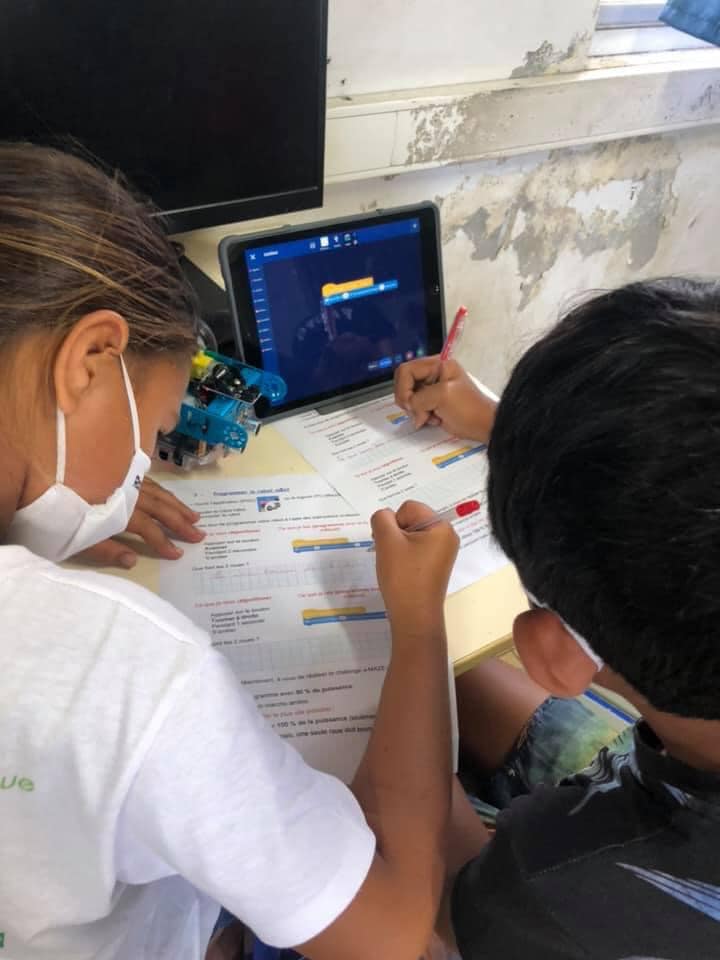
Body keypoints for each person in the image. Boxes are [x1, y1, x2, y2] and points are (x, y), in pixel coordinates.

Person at [0, 142, 459, 960]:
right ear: (90, 361)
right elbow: (388, 933)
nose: (143, 468)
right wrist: (420, 625)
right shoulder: (130, 669)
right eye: (154, 436)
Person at [395, 279, 720, 959]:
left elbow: (436, 916)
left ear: (555, 653)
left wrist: (418, 630)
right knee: (466, 688)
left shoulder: (553, 884)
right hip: (660, 791)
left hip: (531, 912)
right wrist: (507, 427)